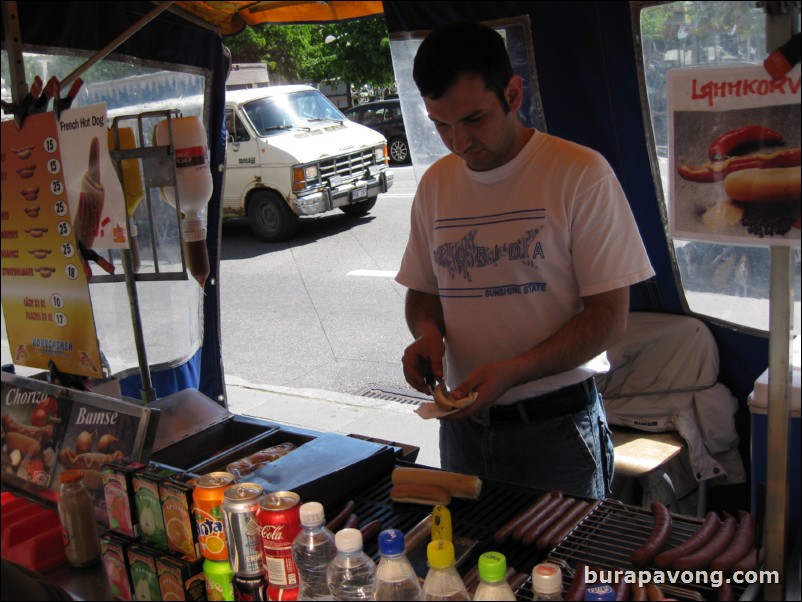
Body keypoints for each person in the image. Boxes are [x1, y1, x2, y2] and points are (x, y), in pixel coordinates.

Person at [395, 21, 655, 499]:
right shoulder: (436, 184)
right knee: (468, 568)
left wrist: (512, 371)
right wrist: (428, 334)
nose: (459, 141)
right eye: (441, 124)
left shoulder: (580, 174)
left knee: (567, 570)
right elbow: (424, 290)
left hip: (556, 432)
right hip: (463, 432)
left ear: (512, 94)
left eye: (474, 119)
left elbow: (608, 319)